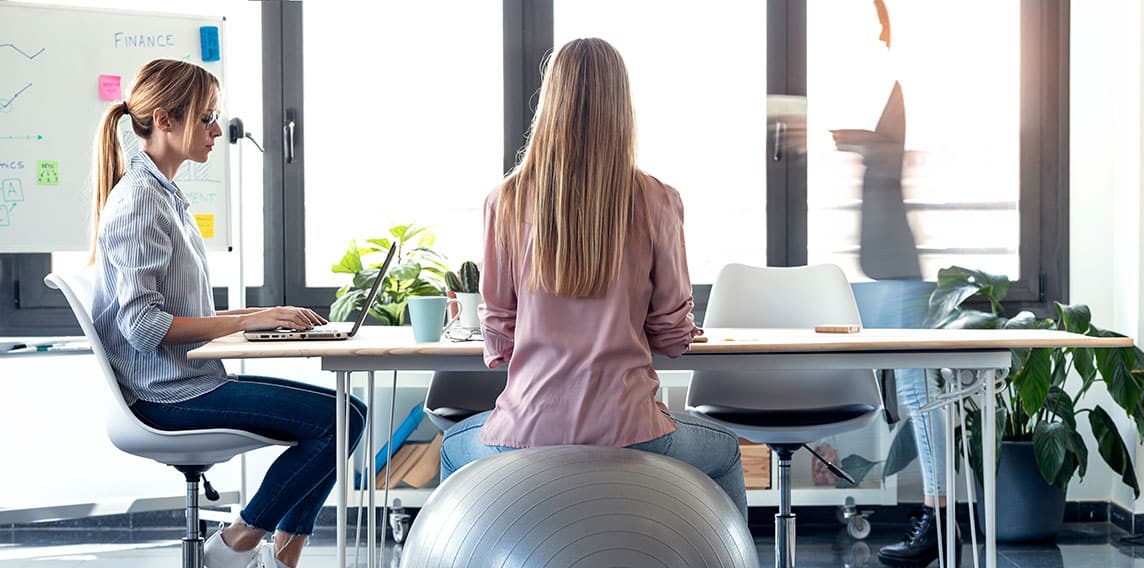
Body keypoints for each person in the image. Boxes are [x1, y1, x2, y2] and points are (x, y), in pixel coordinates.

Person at [439, 38, 748, 518]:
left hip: (527, 433)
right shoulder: (657, 199)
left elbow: (498, 339)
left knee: (450, 449)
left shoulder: (507, 200)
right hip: (633, 432)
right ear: (622, 107)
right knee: (726, 451)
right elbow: (671, 338)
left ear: (549, 102)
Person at [89, 59, 367, 568]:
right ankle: (239, 543)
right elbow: (146, 328)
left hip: (188, 383)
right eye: (206, 118)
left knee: (347, 415)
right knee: (341, 419)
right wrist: (246, 321)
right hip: (166, 397)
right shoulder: (140, 202)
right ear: (165, 120)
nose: (217, 131)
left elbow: (182, 310)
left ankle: (278, 559)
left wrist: (267, 313)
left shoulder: (166, 196)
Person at [830, 3, 957, 566]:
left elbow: (891, 153)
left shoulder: (902, 82)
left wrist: (845, 141)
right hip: (878, 264)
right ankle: (935, 519)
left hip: (896, 266)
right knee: (909, 398)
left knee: (917, 398)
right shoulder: (887, 85)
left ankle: (938, 520)